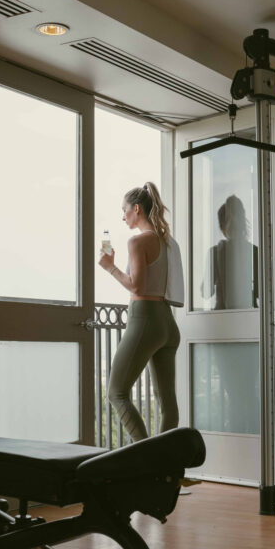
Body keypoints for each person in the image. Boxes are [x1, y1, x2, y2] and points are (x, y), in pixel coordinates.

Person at [98, 182, 183, 442]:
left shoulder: (137, 241)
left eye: (124, 210)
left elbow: (136, 285)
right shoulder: (169, 242)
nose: (122, 216)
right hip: (167, 323)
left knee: (116, 393)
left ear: (137, 209)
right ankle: (167, 468)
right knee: (167, 403)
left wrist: (110, 267)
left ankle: (146, 461)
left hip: (145, 318)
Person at [203, 195, 258, 310]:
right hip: (249, 315)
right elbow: (260, 292)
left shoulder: (215, 252)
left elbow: (206, 292)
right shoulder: (254, 251)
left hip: (222, 316)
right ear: (243, 223)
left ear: (222, 227)